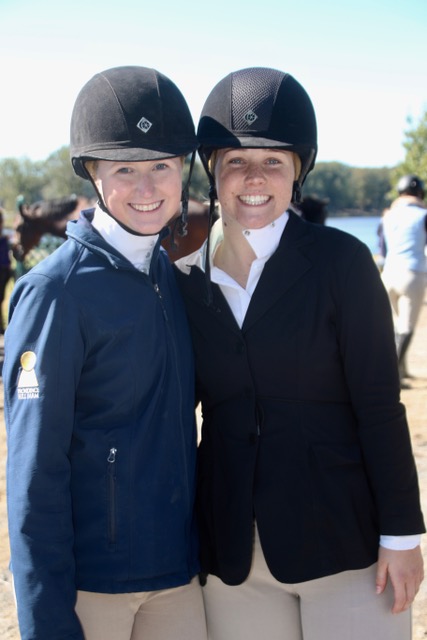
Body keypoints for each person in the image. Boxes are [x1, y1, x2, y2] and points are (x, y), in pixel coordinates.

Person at [174, 67, 425, 640]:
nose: (253, 176)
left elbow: (381, 406)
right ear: (212, 171)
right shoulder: (184, 282)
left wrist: (403, 535)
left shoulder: (344, 264)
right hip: (234, 558)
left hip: (346, 547)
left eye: (273, 161)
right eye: (236, 160)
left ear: (298, 173)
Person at [4, 66, 207, 640]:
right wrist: (46, 621)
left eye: (162, 166)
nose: (147, 189)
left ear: (183, 172)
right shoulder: (54, 292)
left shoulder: (167, 273)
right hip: (93, 586)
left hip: (176, 573)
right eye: (125, 169)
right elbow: (33, 473)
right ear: (93, 174)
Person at [380, 174, 427, 385]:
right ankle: (392, 376)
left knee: (397, 326)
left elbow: (382, 248)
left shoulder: (388, 215)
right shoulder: (423, 215)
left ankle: (402, 371)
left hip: (389, 273)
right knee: (407, 327)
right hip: (413, 272)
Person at [0, 207, 12, 332]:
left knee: (1, 298)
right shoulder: (4, 239)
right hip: (3, 269)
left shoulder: (4, 239)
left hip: (3, 269)